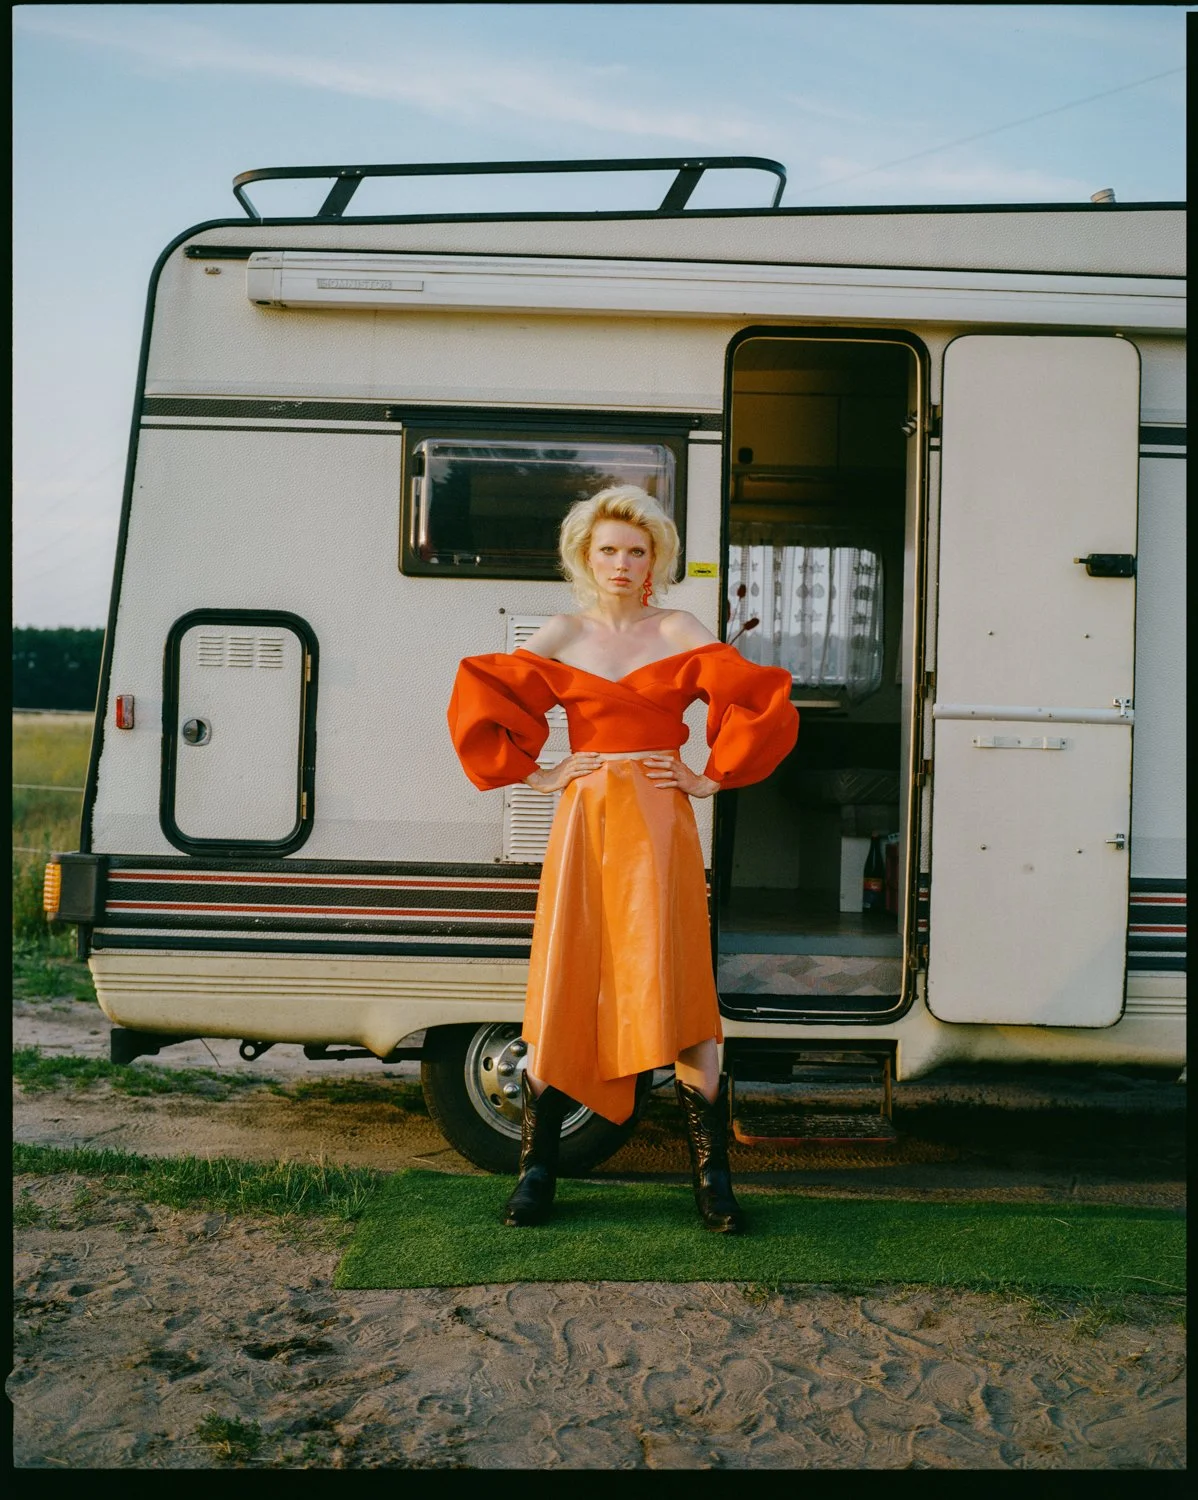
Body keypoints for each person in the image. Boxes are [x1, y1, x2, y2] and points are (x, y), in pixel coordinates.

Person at [447, 485, 798, 1233]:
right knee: (569, 974)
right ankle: (537, 1171)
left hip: (661, 821)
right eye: (607, 548)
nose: (621, 562)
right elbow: (483, 696)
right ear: (584, 555)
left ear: (656, 560)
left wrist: (711, 775)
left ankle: (713, 1180)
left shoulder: (679, 625)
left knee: (677, 983)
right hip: (584, 818)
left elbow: (760, 701)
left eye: (636, 550)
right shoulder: (561, 632)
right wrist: (540, 773)